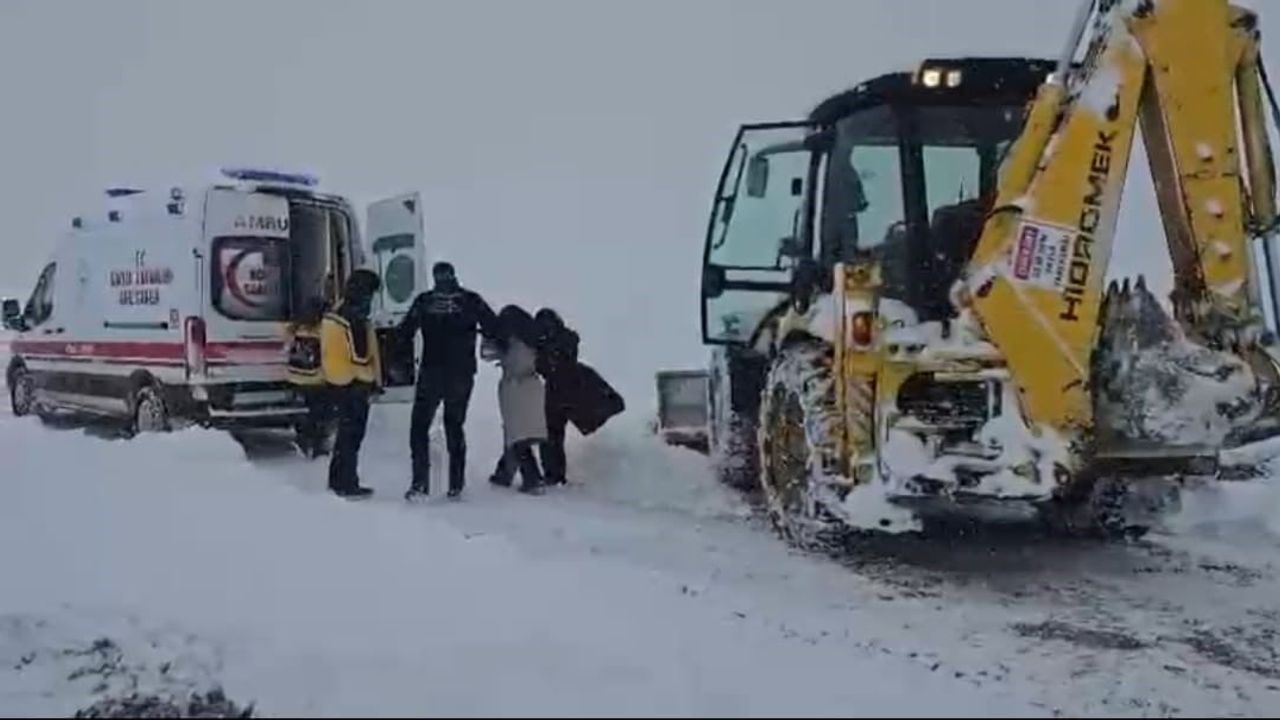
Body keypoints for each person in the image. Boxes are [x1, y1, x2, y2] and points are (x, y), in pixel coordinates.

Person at [398, 261, 500, 500]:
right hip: (461, 374)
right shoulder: (470, 301)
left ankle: (420, 484)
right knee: (454, 426)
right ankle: (456, 485)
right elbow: (494, 328)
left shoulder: (425, 302)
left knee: (419, 428)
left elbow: (404, 334)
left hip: (431, 373)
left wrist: (397, 366)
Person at [319, 268, 383, 499]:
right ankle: (347, 483)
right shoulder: (353, 318)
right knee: (352, 436)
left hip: (337, 381)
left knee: (344, 436)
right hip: (354, 383)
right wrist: (372, 380)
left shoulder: (336, 311)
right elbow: (361, 355)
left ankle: (338, 480)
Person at [486, 305, 549, 495]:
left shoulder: (508, 342)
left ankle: (532, 478)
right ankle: (504, 473)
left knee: (517, 436)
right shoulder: (533, 341)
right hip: (533, 387)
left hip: (514, 389)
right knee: (519, 434)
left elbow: (486, 354)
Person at [533, 308, 580, 486]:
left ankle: (552, 474)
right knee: (557, 437)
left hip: (554, 393)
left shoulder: (547, 344)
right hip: (568, 392)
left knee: (549, 436)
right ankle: (557, 474)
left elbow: (544, 367)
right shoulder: (568, 339)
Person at [286, 293, 334, 459]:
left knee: (306, 413)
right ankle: (319, 445)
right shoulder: (323, 330)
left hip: (296, 377)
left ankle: (304, 439)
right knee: (321, 411)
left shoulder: (297, 328)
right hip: (316, 379)